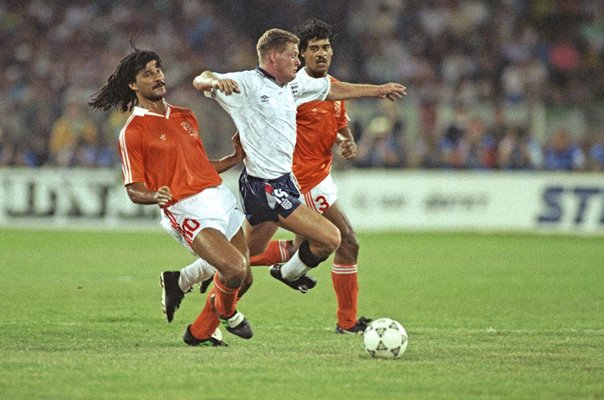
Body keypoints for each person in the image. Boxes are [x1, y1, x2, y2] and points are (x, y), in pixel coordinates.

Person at [191, 28, 406, 294]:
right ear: (273, 56)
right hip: (266, 185)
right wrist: (213, 81)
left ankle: (185, 280)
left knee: (245, 254)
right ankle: (286, 275)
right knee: (332, 238)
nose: (298, 61)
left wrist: (379, 91)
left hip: (283, 182)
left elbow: (332, 89)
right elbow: (201, 78)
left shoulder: (293, 86)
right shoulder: (246, 83)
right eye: (294, 55)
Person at [89, 48, 253, 347]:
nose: (158, 77)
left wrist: (234, 158)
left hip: (217, 196)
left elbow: (199, 165)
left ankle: (187, 302)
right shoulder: (133, 131)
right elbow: (133, 189)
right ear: (133, 85)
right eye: (147, 74)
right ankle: (229, 316)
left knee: (245, 277)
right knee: (233, 270)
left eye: (158, 70)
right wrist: (155, 195)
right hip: (184, 207)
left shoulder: (184, 115)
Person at [248, 19, 370, 334]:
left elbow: (339, 122)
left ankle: (220, 264)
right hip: (300, 181)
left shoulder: (333, 88)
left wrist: (347, 140)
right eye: (313, 48)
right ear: (301, 54)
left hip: (321, 177)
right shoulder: (291, 89)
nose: (321, 53)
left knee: (300, 248)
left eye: (325, 47)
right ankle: (346, 321)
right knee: (346, 241)